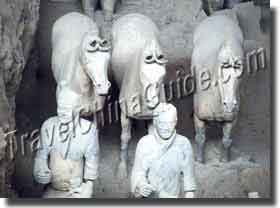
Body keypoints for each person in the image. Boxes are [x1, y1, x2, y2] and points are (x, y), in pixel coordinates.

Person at [131, 103, 196, 198]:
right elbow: (138, 171)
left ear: (176, 121)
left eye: (170, 123)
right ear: (155, 122)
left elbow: (189, 176)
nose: (166, 128)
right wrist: (141, 185)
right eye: (162, 123)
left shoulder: (183, 144)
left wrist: (190, 193)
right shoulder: (145, 143)